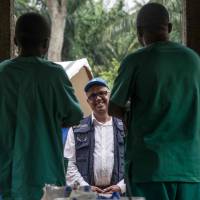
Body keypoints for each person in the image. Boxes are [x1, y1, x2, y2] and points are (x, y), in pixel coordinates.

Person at [108, 3, 200, 200]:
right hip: (191, 169)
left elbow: (114, 106)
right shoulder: (194, 61)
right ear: (170, 27)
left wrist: (128, 113)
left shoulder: (135, 61)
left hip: (149, 169)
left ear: (139, 32)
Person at [0, 13, 83, 200]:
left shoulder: (3, 73)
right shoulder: (54, 75)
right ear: (46, 44)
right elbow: (75, 115)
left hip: (10, 176)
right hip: (47, 177)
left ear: (15, 41)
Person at [64, 78, 126, 194]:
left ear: (109, 95)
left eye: (102, 93)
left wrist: (121, 186)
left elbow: (134, 160)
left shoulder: (125, 126)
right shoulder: (76, 128)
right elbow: (69, 163)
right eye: (92, 95)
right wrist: (85, 187)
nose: (97, 98)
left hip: (119, 195)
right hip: (87, 195)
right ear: (88, 101)